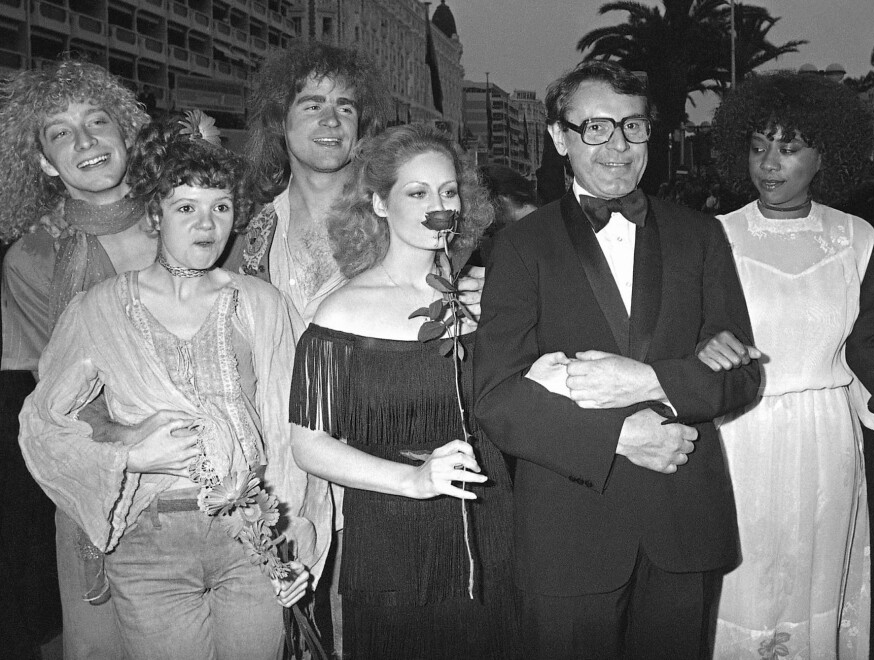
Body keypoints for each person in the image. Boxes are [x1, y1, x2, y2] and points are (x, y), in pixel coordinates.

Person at [473, 60, 761, 659]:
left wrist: (651, 379)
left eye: (632, 127)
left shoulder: (699, 235)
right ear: (560, 138)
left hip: (684, 523)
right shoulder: (522, 246)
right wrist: (620, 436)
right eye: (596, 128)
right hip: (570, 529)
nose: (618, 146)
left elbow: (744, 374)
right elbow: (497, 396)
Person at [18, 112, 328, 660]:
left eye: (221, 208)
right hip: (149, 543)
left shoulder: (261, 302)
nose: (207, 226)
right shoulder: (100, 307)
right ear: (155, 216)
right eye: (186, 207)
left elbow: (293, 424)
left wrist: (294, 528)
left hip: (250, 535)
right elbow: (41, 424)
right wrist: (130, 455)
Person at [222, 41, 485, 656]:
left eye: (345, 106)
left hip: (384, 473)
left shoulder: (415, 220)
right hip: (280, 461)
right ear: (278, 122)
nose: (330, 120)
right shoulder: (245, 229)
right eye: (311, 104)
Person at [288, 123, 521, 659]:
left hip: (492, 529)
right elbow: (308, 445)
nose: (438, 205)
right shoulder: (342, 312)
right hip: (392, 539)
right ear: (379, 203)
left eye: (448, 191)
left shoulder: (489, 297)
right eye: (417, 192)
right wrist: (413, 480)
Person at [706, 70, 874, 659]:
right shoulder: (713, 237)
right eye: (757, 146)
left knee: (816, 579)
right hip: (740, 437)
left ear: (826, 153)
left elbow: (867, 350)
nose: (769, 164)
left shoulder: (858, 239)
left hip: (827, 438)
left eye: (789, 146)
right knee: (743, 583)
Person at [0, 58, 153, 659]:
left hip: (212, 483)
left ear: (127, 132)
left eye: (97, 121)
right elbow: (54, 400)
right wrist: (132, 438)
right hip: (103, 489)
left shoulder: (196, 214)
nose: (86, 141)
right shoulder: (35, 259)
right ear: (43, 161)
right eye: (61, 133)